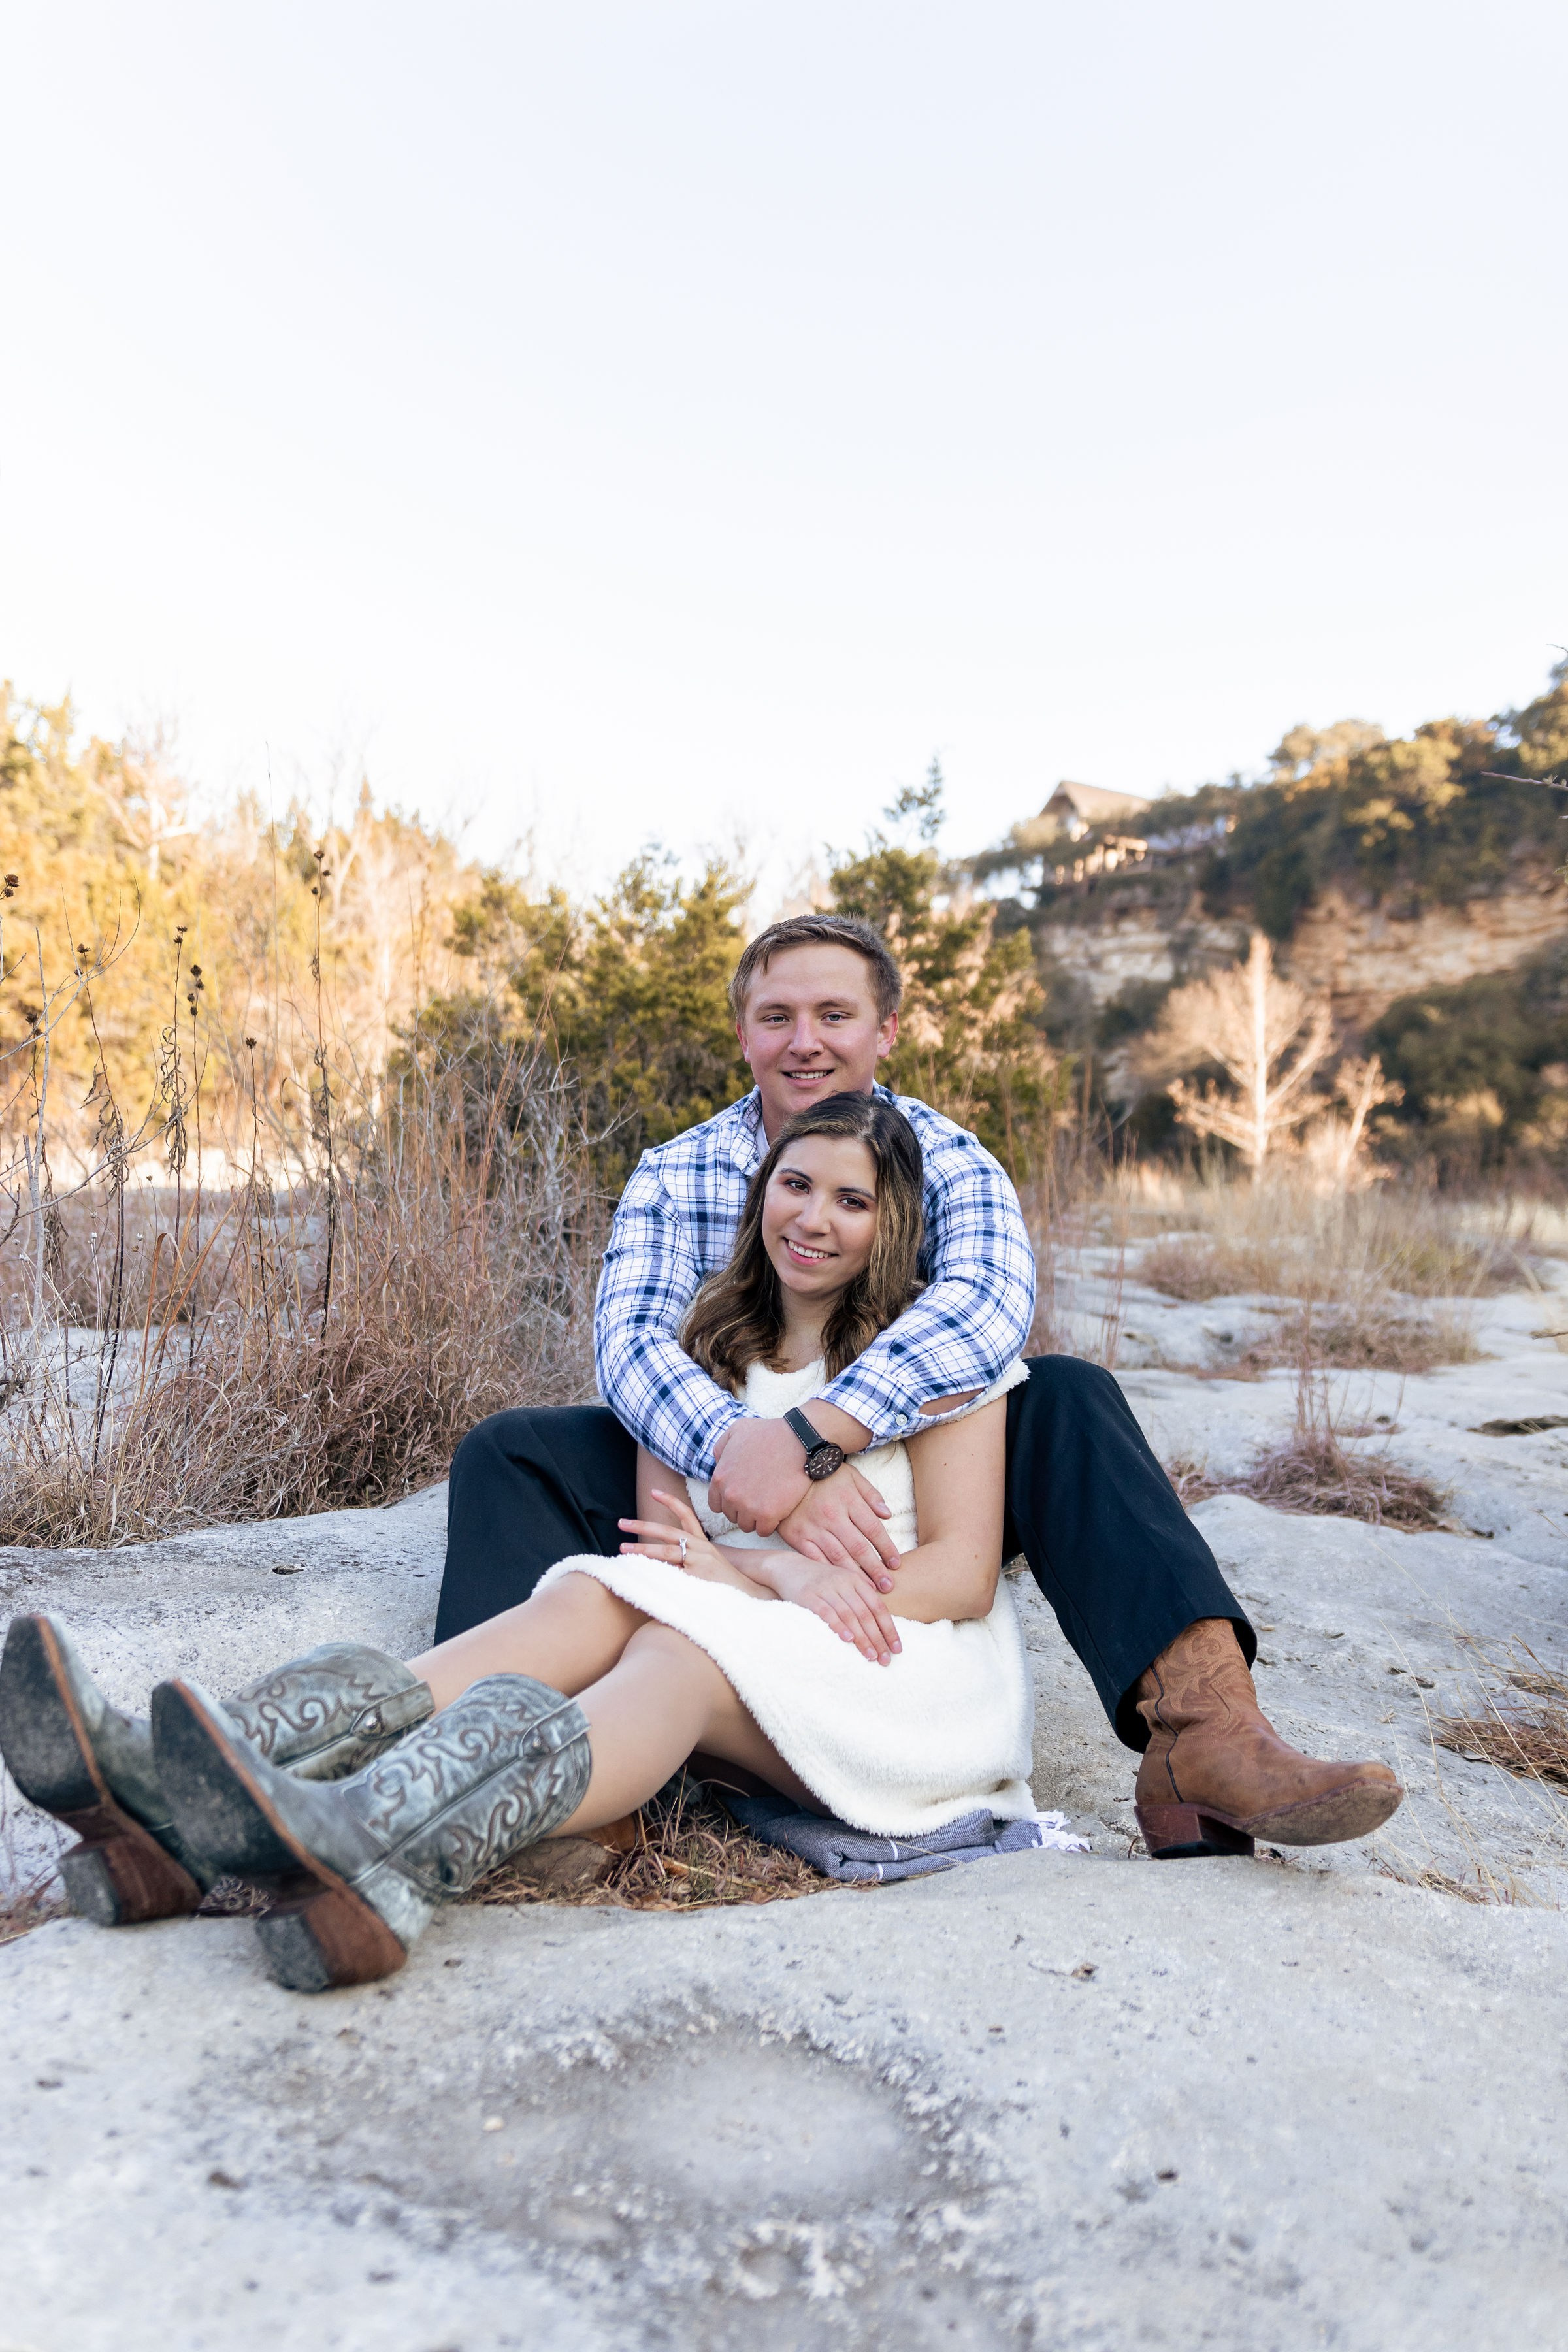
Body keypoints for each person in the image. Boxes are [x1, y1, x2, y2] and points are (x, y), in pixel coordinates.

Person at [2, 1095, 1043, 1991]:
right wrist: (770, 1571)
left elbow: (960, 1577)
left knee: (674, 1649)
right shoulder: (702, 1345)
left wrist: (773, 1584)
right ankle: (186, 1803)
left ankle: (374, 1838)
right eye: (797, 1184)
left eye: (852, 1201)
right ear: (762, 1187)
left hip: (905, 1666)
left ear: (892, 1225)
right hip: (760, 1632)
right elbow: (666, 1550)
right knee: (596, 1592)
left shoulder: (933, 1357)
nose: (813, 1218)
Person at [434, 912, 1403, 1865]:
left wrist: (814, 1442)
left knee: (1069, 1394)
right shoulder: (678, 1169)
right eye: (776, 1017)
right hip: (719, 1456)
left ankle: (1205, 1734)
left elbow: (986, 1308)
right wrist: (752, 1456)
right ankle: (522, 1737)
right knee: (512, 1449)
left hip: (913, 1480)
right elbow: (634, 1345)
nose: (805, 1041)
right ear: (743, 1033)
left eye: (834, 1015)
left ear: (885, 1030)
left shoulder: (949, 1158)